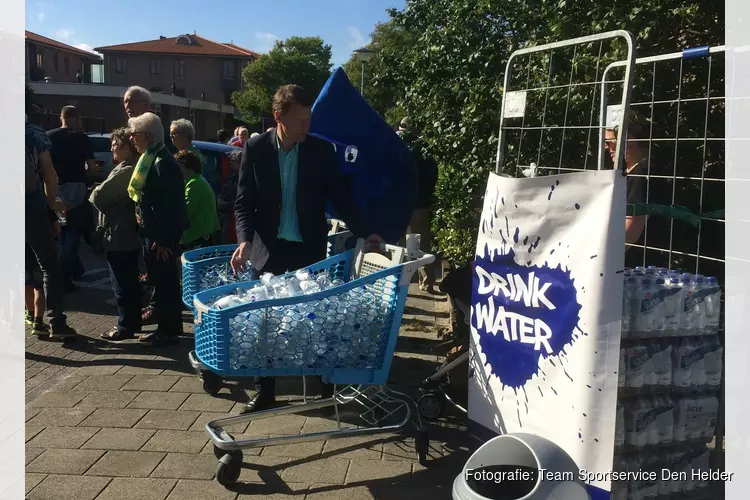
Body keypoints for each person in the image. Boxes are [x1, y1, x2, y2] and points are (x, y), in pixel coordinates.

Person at [231, 84, 384, 413]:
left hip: (308, 252)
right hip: (267, 251)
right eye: (300, 120)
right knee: (265, 321)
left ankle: (324, 387)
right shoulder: (256, 148)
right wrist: (244, 240)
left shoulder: (320, 151)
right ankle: (265, 390)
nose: (307, 125)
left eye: (308, 119)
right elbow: (244, 203)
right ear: (278, 117)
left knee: (316, 320)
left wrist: (366, 232)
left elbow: (341, 198)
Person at [128, 112, 189, 347]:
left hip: (161, 237)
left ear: (149, 136)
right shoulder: (151, 159)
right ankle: (167, 328)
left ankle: (169, 330)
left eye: (136, 134)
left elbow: (174, 206)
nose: (132, 139)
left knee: (166, 283)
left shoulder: (163, 162)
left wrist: (165, 239)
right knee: (160, 281)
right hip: (153, 234)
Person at [24, 116, 77, 340]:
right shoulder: (34, 134)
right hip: (29, 202)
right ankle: (56, 322)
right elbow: (48, 172)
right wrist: (53, 201)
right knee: (49, 264)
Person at [89, 128, 143, 341]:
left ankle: (125, 326)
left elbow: (99, 196)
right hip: (121, 232)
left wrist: (95, 191)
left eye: (116, 144)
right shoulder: (124, 167)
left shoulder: (126, 170)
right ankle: (132, 322)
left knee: (122, 282)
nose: (111, 148)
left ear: (127, 148)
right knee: (127, 279)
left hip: (120, 234)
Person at [46, 105, 99, 291]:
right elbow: (91, 167)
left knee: (60, 232)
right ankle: (63, 276)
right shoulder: (81, 138)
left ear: (61, 118)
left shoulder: (48, 137)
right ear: (75, 119)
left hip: (54, 190)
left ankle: (72, 270)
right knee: (73, 235)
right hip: (77, 190)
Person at [399, 119, 439, 292]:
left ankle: (401, 280)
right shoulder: (424, 150)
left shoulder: (396, 147)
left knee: (399, 244)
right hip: (420, 204)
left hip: (398, 203)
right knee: (421, 243)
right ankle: (427, 279)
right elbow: (433, 175)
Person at [604, 109, 649, 245]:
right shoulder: (631, 172)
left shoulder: (639, 177)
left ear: (628, 139)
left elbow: (628, 234)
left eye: (610, 141)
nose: (606, 147)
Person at [175, 150, 220, 250]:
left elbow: (185, 212)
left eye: (177, 166)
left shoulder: (194, 184)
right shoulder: (196, 180)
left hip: (200, 237)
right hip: (204, 235)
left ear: (184, 165)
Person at [216, 149, 242, 244]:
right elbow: (223, 189)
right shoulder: (231, 174)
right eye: (230, 160)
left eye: (233, 161)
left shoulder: (243, 178)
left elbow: (241, 199)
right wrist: (219, 199)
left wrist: (226, 205)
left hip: (232, 216)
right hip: (223, 213)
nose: (231, 163)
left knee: (227, 239)